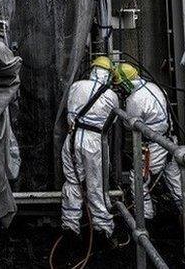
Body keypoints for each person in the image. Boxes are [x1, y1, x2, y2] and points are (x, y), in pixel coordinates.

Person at [60, 56, 119, 240]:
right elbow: (113, 121)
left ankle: (70, 224)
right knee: (96, 184)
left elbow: (69, 112)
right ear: (109, 75)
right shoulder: (111, 95)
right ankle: (102, 227)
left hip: (72, 138)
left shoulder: (76, 86)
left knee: (72, 181)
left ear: (93, 70)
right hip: (94, 141)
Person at [116, 63, 185, 219]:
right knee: (177, 183)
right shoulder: (153, 86)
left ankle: (145, 218)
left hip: (153, 147)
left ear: (125, 82)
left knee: (138, 180)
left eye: (120, 84)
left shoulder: (135, 99)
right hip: (169, 141)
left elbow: (130, 124)